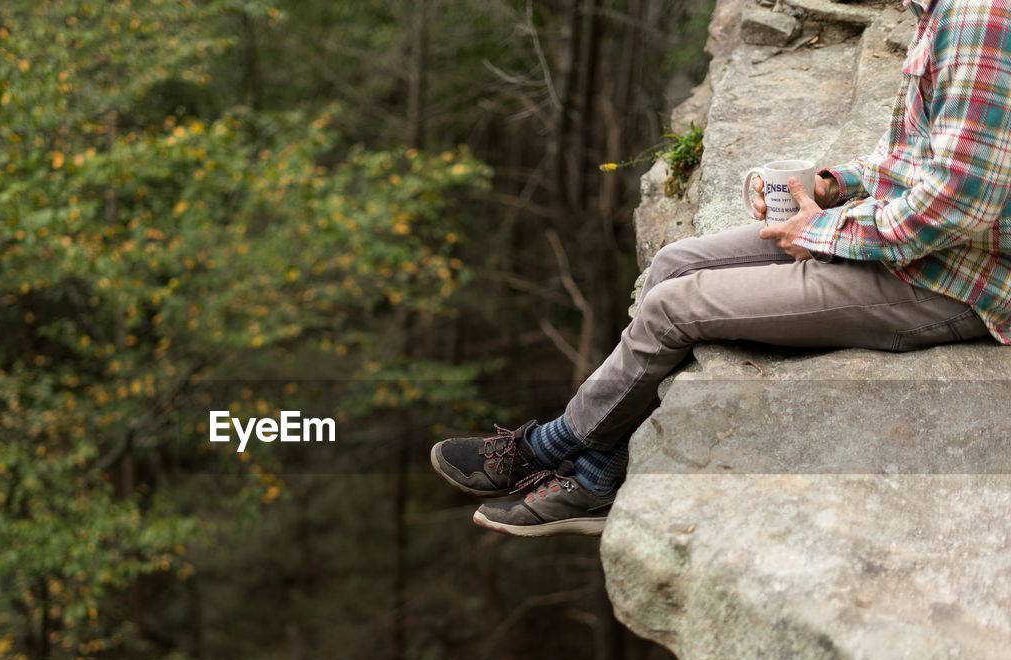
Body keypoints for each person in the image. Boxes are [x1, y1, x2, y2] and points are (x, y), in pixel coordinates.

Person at [430, 0, 1011, 536]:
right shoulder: (943, 9)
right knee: (674, 264)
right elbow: (918, 161)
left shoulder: (980, 17)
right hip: (912, 247)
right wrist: (831, 184)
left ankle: (554, 449)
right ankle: (600, 471)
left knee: (673, 308)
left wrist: (818, 230)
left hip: (954, 279)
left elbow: (959, 204)